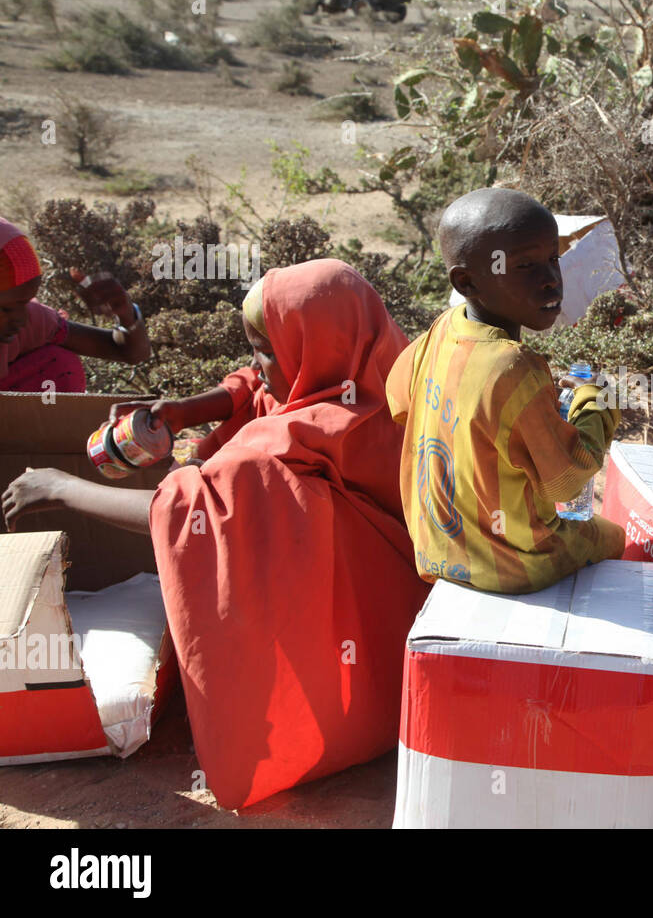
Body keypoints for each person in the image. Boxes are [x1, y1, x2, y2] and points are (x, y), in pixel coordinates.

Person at [3, 259, 429, 809]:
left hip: (352, 647)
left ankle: (318, 724)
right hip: (404, 619)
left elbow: (195, 512)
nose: (256, 363)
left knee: (246, 504)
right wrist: (191, 409)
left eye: (267, 348)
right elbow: (264, 383)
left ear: (315, 347)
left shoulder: (286, 444)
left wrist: (62, 488)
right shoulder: (381, 367)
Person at [386, 187, 624, 594]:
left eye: (553, 260)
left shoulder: (440, 332)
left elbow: (399, 403)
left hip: (436, 550)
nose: (551, 281)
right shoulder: (513, 366)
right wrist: (594, 402)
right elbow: (567, 479)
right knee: (613, 537)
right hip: (515, 565)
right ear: (466, 280)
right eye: (525, 266)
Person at [0, 215, 150, 391]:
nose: (21, 318)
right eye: (7, 308)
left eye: (24, 303)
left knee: (59, 364)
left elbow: (127, 351)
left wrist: (125, 314)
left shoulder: (29, 322)